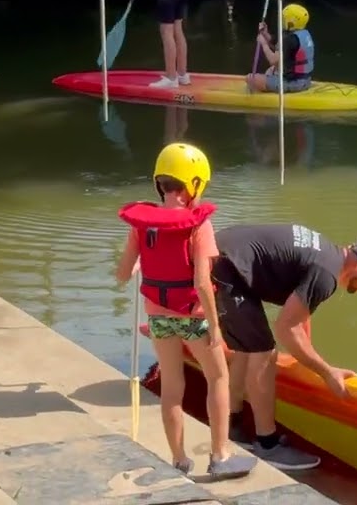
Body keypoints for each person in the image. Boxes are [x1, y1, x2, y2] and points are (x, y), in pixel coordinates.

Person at [114, 143, 257, 480]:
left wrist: (141, 266)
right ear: (194, 183)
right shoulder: (198, 225)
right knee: (218, 377)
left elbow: (122, 274)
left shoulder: (141, 224)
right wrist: (216, 327)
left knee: (171, 385)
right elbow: (203, 283)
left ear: (159, 182)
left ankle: (178, 460)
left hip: (158, 317)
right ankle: (220, 456)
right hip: (194, 318)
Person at [211, 224, 357, 471]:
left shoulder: (327, 257)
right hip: (226, 265)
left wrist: (305, 359)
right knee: (264, 352)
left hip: (225, 255)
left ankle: (232, 424)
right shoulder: (326, 275)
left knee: (247, 348)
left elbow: (300, 316)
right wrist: (327, 372)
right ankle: (267, 444)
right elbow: (286, 327)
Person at [246, 3, 314, 94]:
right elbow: (280, 47)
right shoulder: (303, 34)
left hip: (294, 83)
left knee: (250, 78)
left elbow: (273, 60)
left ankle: (272, 92)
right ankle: (271, 86)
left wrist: (264, 44)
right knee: (271, 70)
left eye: (284, 18)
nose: (282, 20)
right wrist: (266, 34)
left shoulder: (289, 39)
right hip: (305, 80)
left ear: (291, 22)